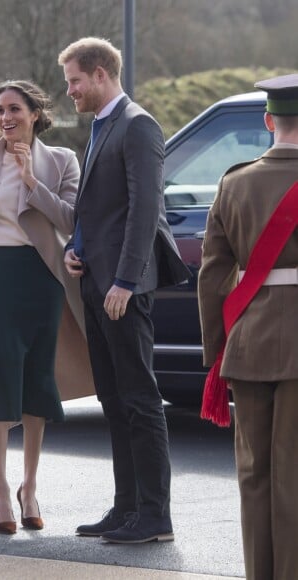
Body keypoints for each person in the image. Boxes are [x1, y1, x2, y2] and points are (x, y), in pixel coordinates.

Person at [58, 37, 190, 544]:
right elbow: (98, 208)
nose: (69, 90)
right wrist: (76, 247)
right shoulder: (101, 126)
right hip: (94, 280)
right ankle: (126, 508)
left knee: (140, 399)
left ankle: (156, 516)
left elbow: (144, 213)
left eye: (74, 80)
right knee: (113, 399)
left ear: (98, 75)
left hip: (122, 289)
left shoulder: (138, 125)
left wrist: (127, 282)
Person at [0, 80, 92, 534]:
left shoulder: (62, 160)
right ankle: (0, 488)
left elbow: (71, 221)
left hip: (44, 281)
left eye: (14, 109)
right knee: (1, 380)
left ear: (34, 113)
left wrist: (32, 181)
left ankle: (29, 487)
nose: (5, 118)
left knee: (36, 383)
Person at [198, 73, 298, 580]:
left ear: (267, 122)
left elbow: (212, 274)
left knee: (254, 475)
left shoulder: (234, 183)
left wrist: (217, 351)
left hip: (250, 344)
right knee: (294, 478)